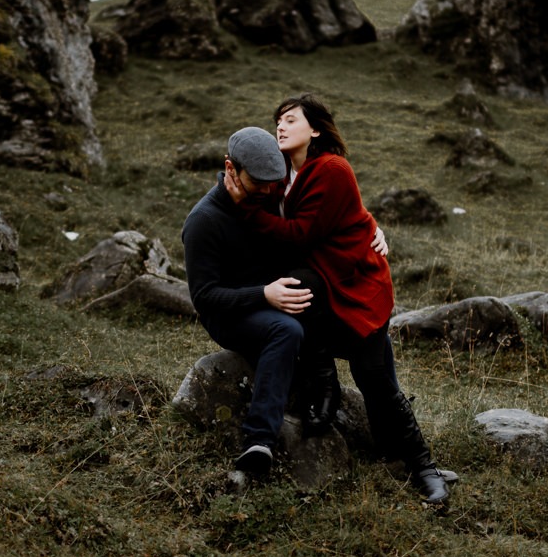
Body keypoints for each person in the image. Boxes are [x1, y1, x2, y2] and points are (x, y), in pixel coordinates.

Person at [224, 94, 451, 505]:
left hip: (357, 286)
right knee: (297, 285)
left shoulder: (331, 168)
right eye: (277, 120)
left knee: (375, 379)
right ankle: (324, 377)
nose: (280, 126)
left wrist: (246, 210)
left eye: (290, 120)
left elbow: (299, 235)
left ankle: (424, 467)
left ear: (314, 129)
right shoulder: (280, 177)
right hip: (326, 282)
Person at [180, 126, 310, 479]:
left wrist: (370, 228)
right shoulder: (203, 221)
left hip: (267, 296)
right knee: (285, 330)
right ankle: (259, 441)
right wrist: (263, 294)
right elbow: (204, 297)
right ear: (230, 168)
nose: (269, 190)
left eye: (274, 181)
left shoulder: (262, 197)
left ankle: (322, 391)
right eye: (260, 182)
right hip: (228, 314)